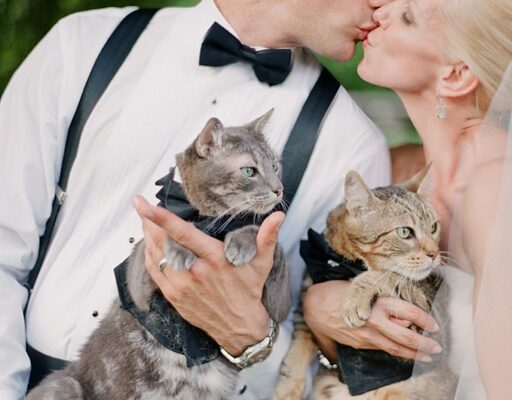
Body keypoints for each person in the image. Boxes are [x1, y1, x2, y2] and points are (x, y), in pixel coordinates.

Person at [0, 0, 397, 398]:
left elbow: (307, 359)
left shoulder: (353, 146)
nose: (386, 6)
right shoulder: (80, 46)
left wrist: (249, 340)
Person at [305, 0, 512, 398]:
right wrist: (321, 308)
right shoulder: (410, 175)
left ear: (457, 75)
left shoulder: (498, 186)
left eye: (407, 17)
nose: (381, 13)